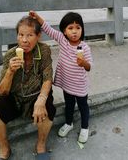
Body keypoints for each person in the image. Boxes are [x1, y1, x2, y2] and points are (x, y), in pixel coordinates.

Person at [0, 16, 56, 160]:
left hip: (36, 95)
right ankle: (4, 148)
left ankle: (41, 145)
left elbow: (47, 78)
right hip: (15, 98)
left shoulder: (44, 51)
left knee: (48, 107)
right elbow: (2, 92)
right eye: (21, 35)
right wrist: (10, 72)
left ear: (38, 36)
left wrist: (41, 100)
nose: (24, 40)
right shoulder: (11, 55)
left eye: (30, 35)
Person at [29, 11, 93, 143]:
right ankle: (69, 123)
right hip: (67, 83)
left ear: (82, 29)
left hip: (80, 85)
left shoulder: (85, 48)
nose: (74, 31)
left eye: (78, 28)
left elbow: (89, 67)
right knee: (69, 105)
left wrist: (84, 63)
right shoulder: (62, 40)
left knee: (83, 107)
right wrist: (37, 18)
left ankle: (85, 127)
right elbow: (47, 29)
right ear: (64, 31)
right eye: (70, 28)